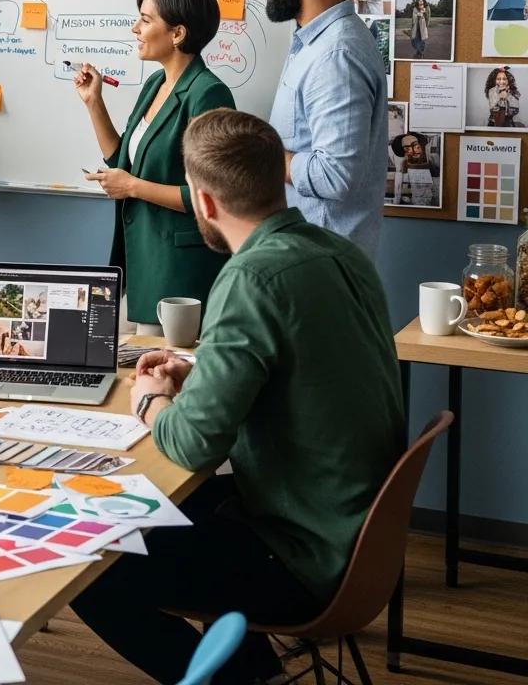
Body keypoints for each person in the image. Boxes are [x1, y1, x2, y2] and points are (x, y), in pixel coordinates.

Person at [71, 108, 404, 685]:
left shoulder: (250, 277)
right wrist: (196, 376)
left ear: (203, 202)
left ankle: (236, 681)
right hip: (356, 529)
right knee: (166, 507)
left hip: (302, 552)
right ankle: (253, 669)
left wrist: (150, 399)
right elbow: (297, 371)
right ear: (278, 175)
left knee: (86, 562)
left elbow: (192, 445)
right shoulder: (339, 252)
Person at [73, 0, 234, 332]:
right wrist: (94, 102)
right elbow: (122, 162)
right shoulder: (155, 84)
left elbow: (212, 196)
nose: (135, 28)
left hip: (176, 271)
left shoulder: (208, 94)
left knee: (155, 362)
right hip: (137, 263)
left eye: (145, 20)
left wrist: (131, 187)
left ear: (177, 33)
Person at [263, 0, 387, 258]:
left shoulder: (336, 55)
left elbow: (335, 176)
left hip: (320, 262)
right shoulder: (315, 42)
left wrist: (261, 154)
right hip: (308, 252)